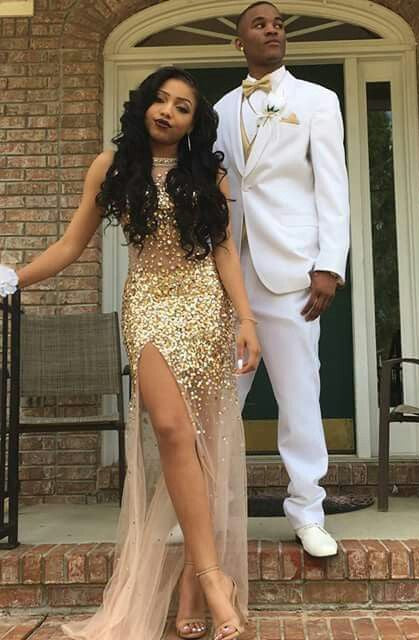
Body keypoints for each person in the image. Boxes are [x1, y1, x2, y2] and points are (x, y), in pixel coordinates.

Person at [0, 66, 261, 640]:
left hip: (204, 307)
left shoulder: (208, 174)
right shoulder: (111, 166)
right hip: (147, 304)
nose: (168, 111)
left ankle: (194, 584)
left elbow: (223, 250)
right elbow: (71, 244)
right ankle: (214, 578)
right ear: (144, 105)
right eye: (160, 100)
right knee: (170, 430)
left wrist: (246, 319)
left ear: (194, 122)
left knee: (201, 445)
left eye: (183, 107)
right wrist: (14, 277)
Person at [214, 1, 350, 558]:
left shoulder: (318, 100)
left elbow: (333, 185)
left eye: (278, 23)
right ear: (239, 41)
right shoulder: (220, 109)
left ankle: (308, 511)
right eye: (259, 24)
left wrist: (329, 263)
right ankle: (207, 509)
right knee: (221, 398)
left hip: (293, 272)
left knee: (299, 396)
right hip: (230, 274)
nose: (272, 29)